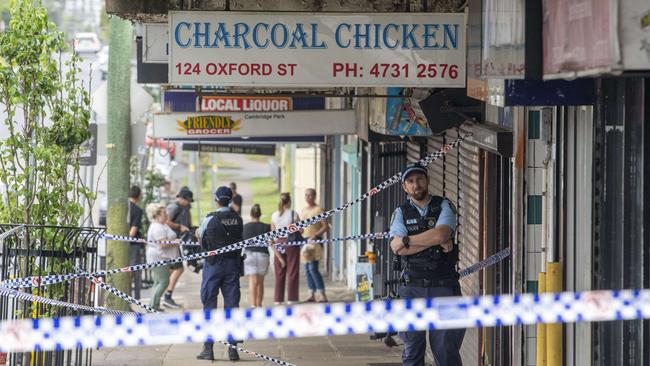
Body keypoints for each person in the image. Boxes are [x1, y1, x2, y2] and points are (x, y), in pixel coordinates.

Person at [389, 162, 464, 366]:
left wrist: (408, 240)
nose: (416, 184)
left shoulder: (444, 205)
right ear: (405, 187)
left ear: (428, 181)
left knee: (446, 352)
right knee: (413, 351)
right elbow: (397, 248)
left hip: (443, 286)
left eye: (420, 179)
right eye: (410, 181)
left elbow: (442, 233)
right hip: (412, 288)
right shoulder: (400, 212)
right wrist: (433, 241)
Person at [196, 186, 244, 361]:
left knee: (209, 305)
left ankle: (208, 349)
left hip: (213, 265)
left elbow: (200, 238)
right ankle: (233, 350)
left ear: (216, 199)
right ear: (230, 200)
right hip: (232, 265)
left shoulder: (210, 218)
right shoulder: (238, 219)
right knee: (232, 306)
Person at [163, 187, 193, 309]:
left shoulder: (180, 207)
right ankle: (167, 295)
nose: (189, 204)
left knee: (173, 269)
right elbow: (166, 221)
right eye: (189, 201)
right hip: (169, 242)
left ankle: (166, 292)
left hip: (173, 242)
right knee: (179, 268)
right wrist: (179, 227)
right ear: (183, 199)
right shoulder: (174, 207)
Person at [145, 203, 178, 311]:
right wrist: (176, 242)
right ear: (157, 214)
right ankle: (152, 306)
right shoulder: (157, 227)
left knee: (158, 282)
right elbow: (163, 244)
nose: (166, 214)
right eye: (164, 212)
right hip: (158, 258)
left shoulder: (161, 225)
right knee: (164, 282)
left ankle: (154, 305)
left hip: (162, 257)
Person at [270, 192, 301, 305]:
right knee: (292, 271)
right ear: (289, 202)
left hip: (279, 243)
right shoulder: (293, 214)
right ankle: (292, 298)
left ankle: (278, 299)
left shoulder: (274, 215)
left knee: (279, 272)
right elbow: (300, 230)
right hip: (291, 243)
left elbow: (272, 233)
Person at [299, 188, 328, 302]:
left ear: (314, 196)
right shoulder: (303, 210)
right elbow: (302, 226)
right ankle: (311, 293)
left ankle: (322, 294)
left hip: (315, 242)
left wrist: (315, 236)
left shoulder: (319, 210)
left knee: (313, 268)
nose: (307, 197)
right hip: (304, 242)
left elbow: (325, 226)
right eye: (306, 195)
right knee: (306, 269)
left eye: (310, 195)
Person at [242, 204, 271, 308]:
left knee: (252, 280)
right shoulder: (266, 227)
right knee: (260, 282)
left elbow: (241, 243)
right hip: (263, 255)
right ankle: (259, 304)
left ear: (251, 214)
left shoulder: (245, 227)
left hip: (249, 255)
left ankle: (253, 304)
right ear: (260, 214)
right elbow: (271, 242)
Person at [128, 186, 144, 299]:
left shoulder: (122, 207)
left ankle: (127, 296)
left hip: (119, 243)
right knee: (134, 272)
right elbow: (133, 231)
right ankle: (135, 298)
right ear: (138, 196)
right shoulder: (137, 210)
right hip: (133, 245)